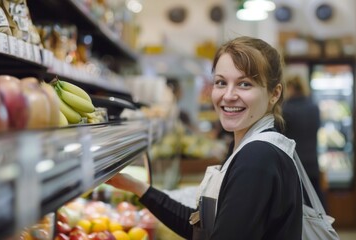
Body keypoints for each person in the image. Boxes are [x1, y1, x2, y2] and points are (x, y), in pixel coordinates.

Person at [106, 36, 302, 240]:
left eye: (244, 84)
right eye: (221, 82)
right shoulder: (250, 147)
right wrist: (136, 186)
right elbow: (201, 228)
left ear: (274, 93)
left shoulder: (257, 158)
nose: (228, 95)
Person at [282, 74, 325, 208]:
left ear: (290, 88)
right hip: (312, 161)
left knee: (298, 205)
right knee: (316, 202)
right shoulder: (314, 107)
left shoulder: (285, 109)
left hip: (294, 163)